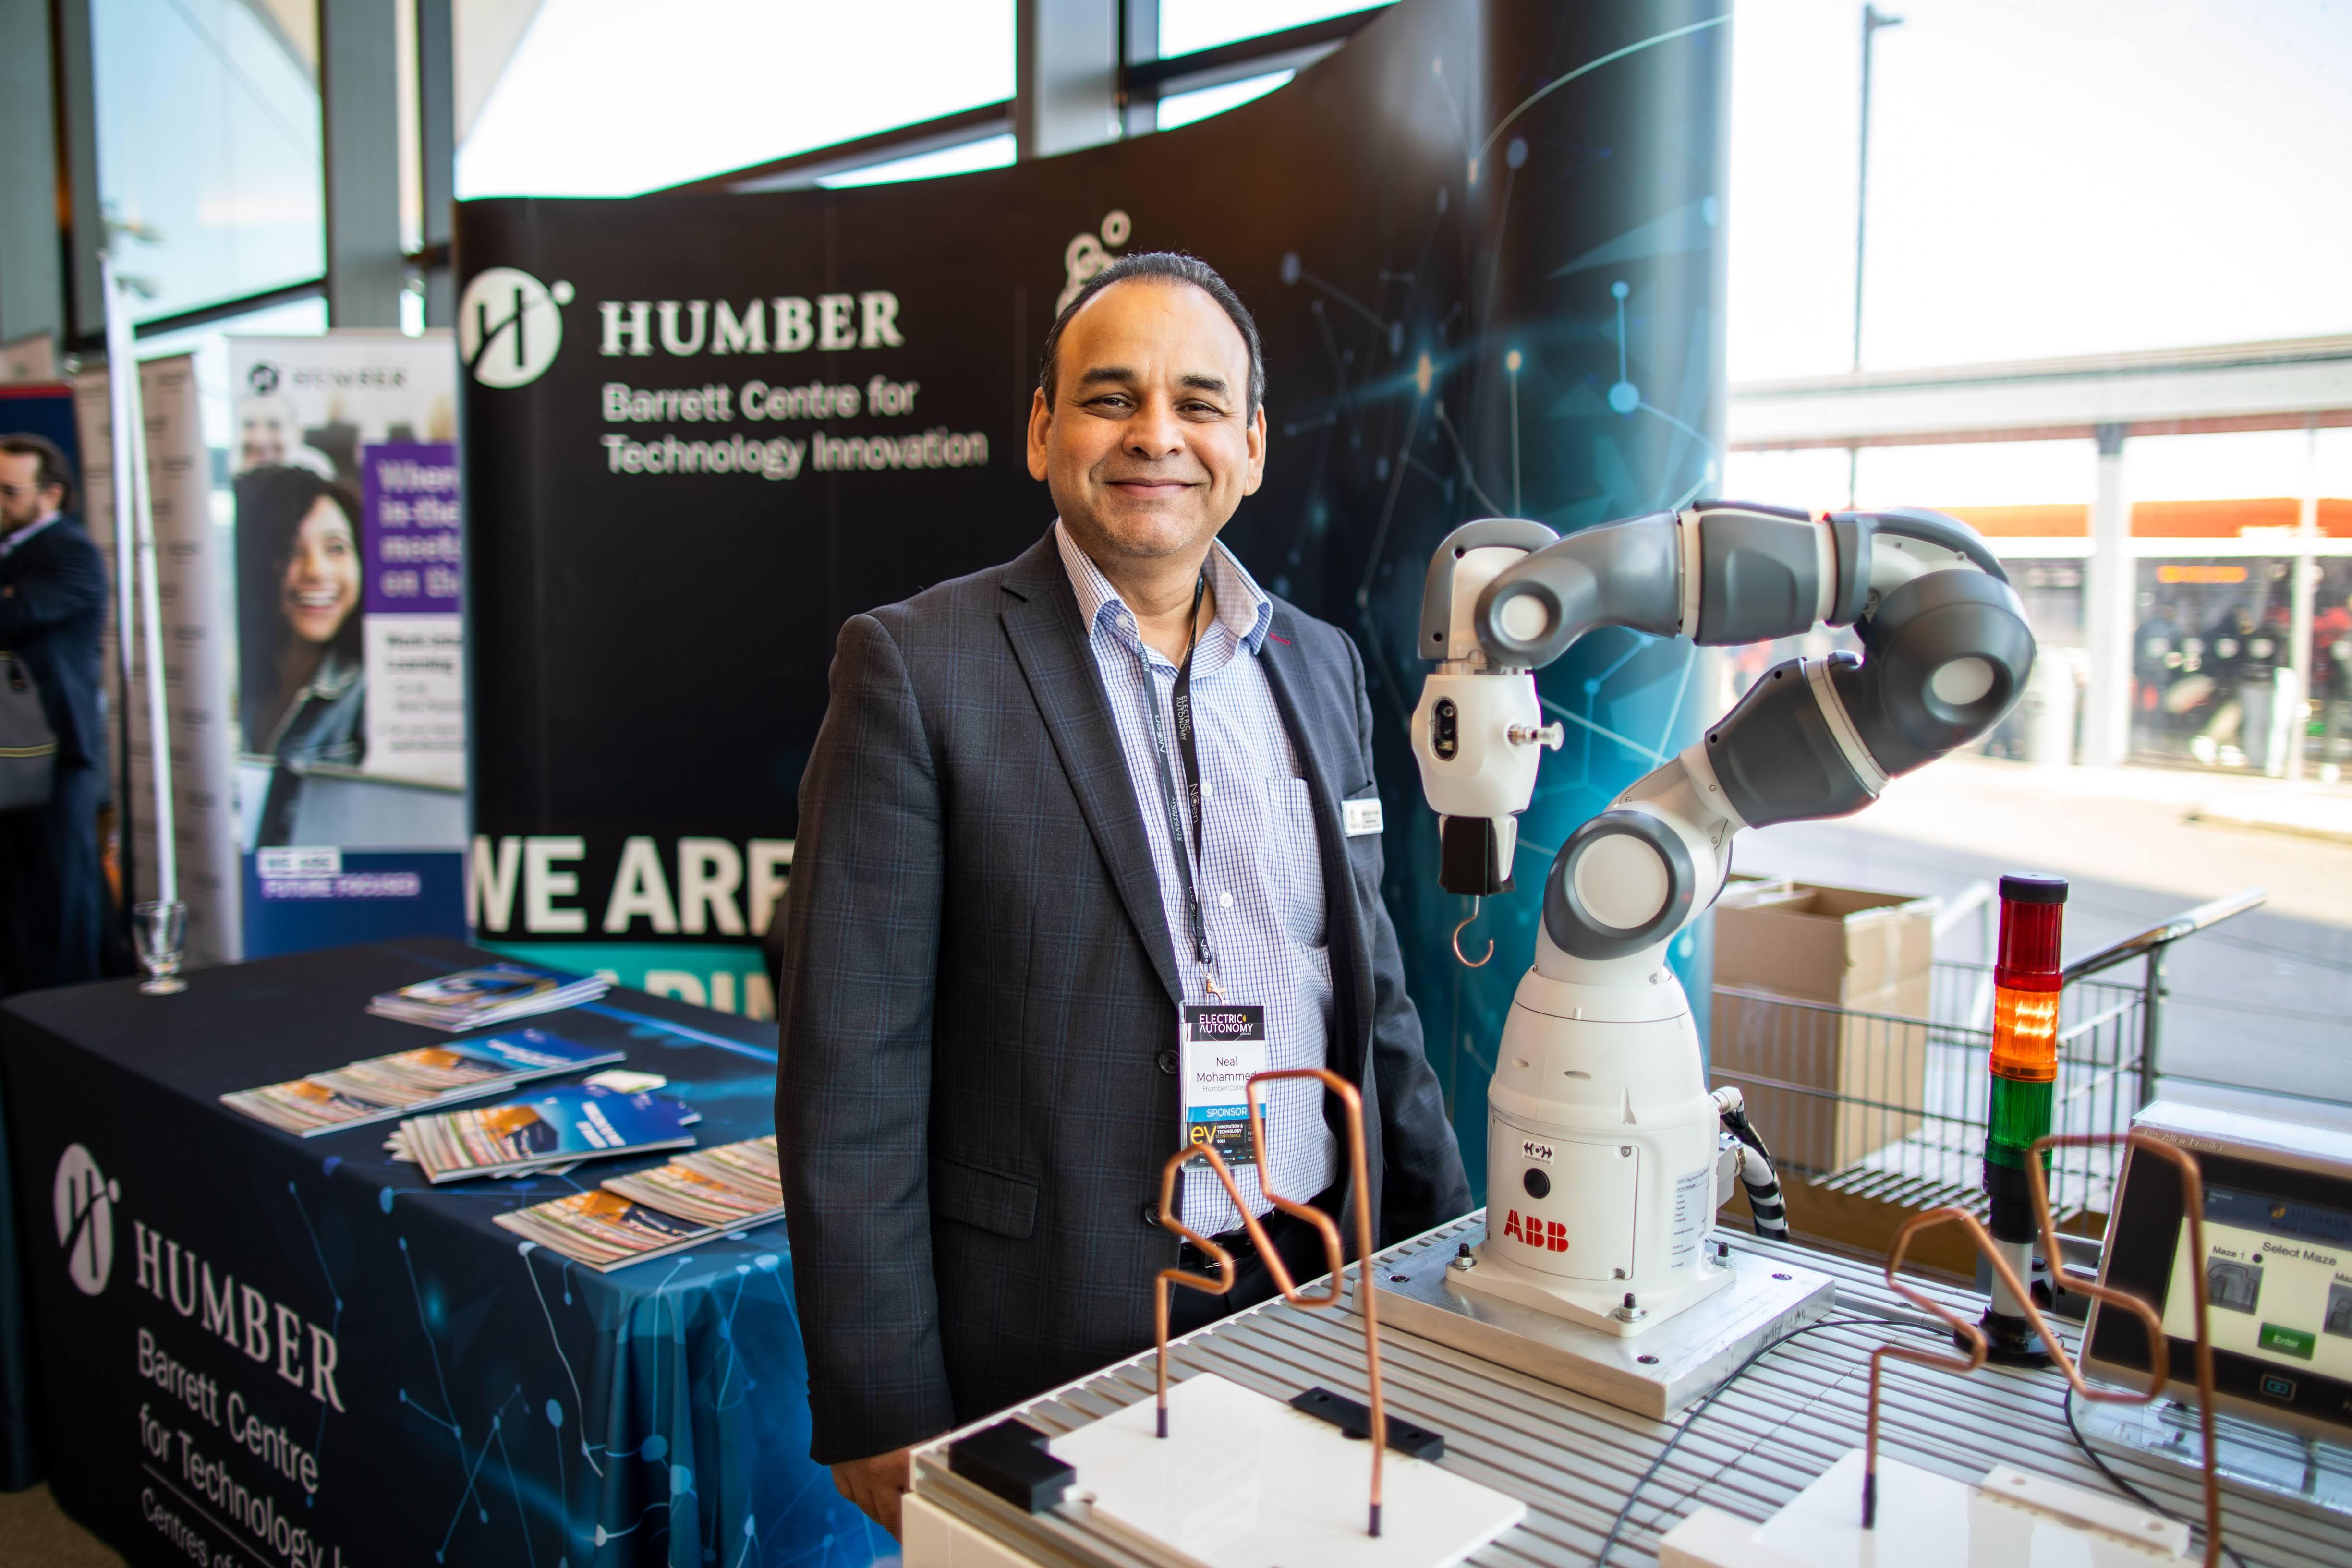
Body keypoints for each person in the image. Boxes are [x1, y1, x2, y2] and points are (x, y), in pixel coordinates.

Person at [775, 252, 1470, 1538]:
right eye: (1111, 397)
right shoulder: (919, 671)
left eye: (1200, 402)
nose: (1159, 434)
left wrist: (1447, 1254)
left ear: (1251, 447)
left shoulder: (1317, 665)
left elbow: (1367, 992)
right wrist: (877, 1400)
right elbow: (851, 1069)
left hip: (1308, 1285)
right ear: (1043, 432)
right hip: (1050, 1328)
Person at [0, 434, 107, 997]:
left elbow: (14, 614)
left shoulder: (69, 551)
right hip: (12, 760)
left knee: (61, 901)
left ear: (52, 495)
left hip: (56, 754)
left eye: (8, 491)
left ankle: (69, 1020)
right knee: (19, 904)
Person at [234, 466, 365, 844]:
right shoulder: (236, 679)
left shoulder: (370, 693)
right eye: (292, 551)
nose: (316, 571)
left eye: (336, 548)